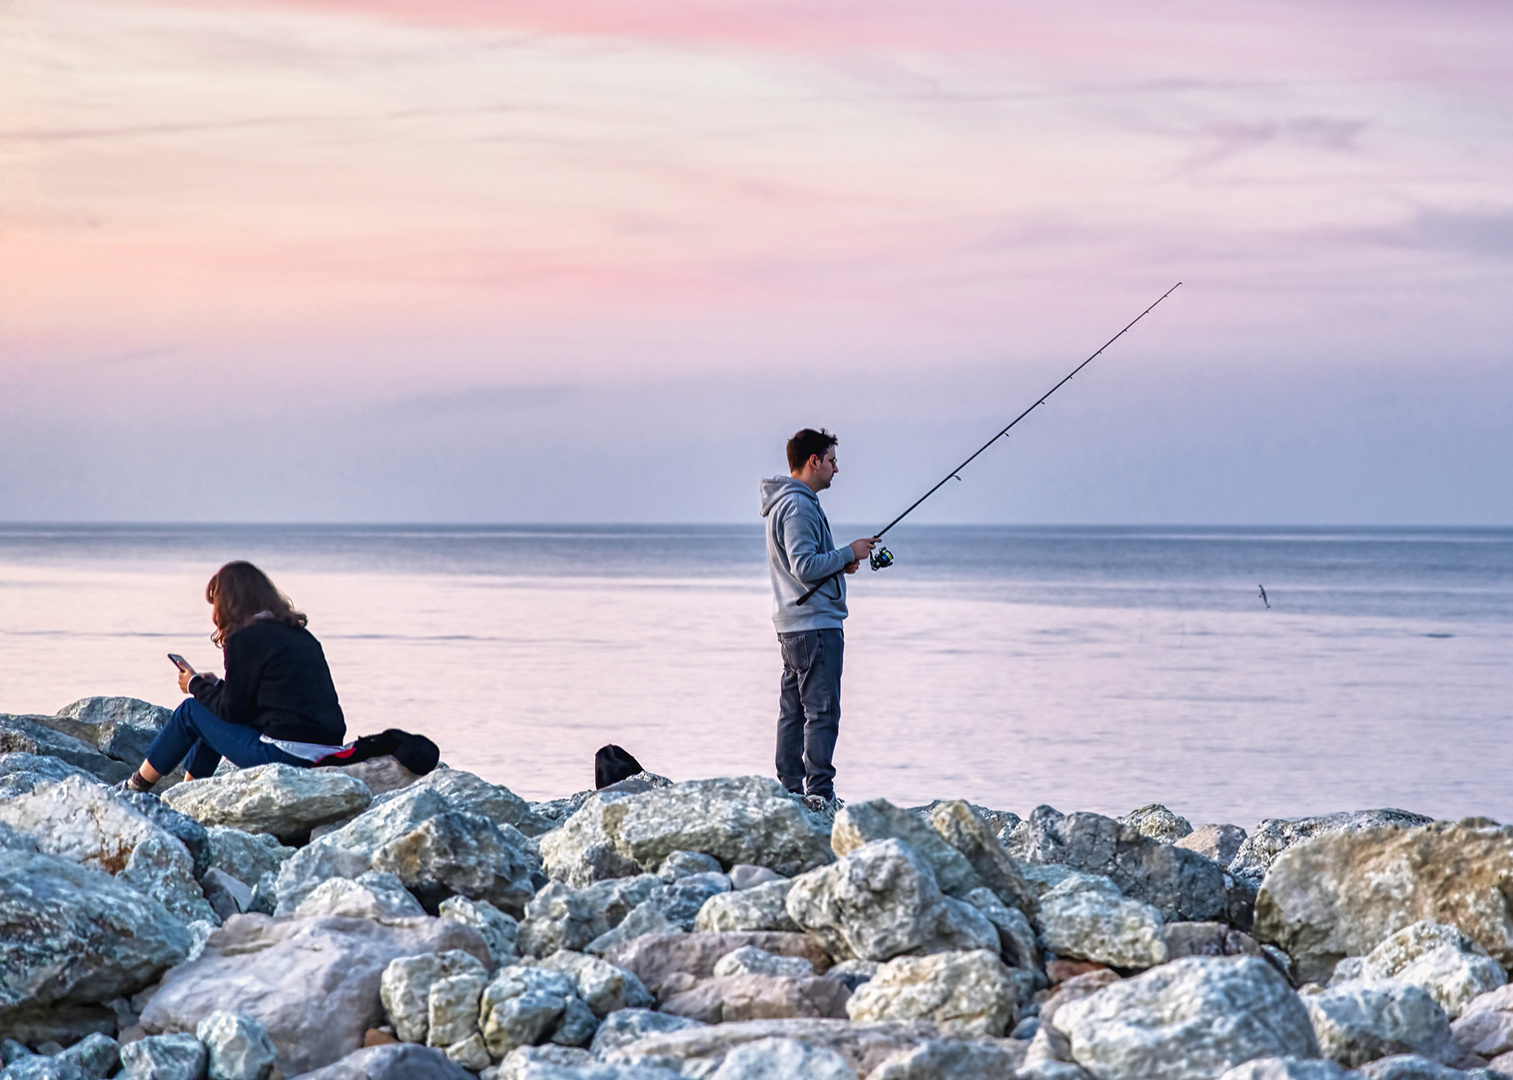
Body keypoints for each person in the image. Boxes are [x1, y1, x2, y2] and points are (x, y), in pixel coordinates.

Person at [121, 561, 347, 792]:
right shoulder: (299, 634)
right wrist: (218, 686)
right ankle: (188, 793)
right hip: (329, 754)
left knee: (190, 711)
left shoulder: (246, 637)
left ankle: (135, 786)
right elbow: (272, 698)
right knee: (208, 707)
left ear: (228, 603)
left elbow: (232, 711)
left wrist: (194, 684)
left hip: (287, 757)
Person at [759, 428, 878, 810]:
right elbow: (805, 565)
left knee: (794, 711)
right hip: (815, 626)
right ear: (813, 461)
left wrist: (840, 565)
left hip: (796, 624)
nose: (836, 469)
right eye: (832, 460)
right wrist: (847, 552)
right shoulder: (798, 505)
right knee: (821, 712)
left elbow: (803, 567)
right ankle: (818, 796)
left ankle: (791, 793)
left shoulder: (786, 503)